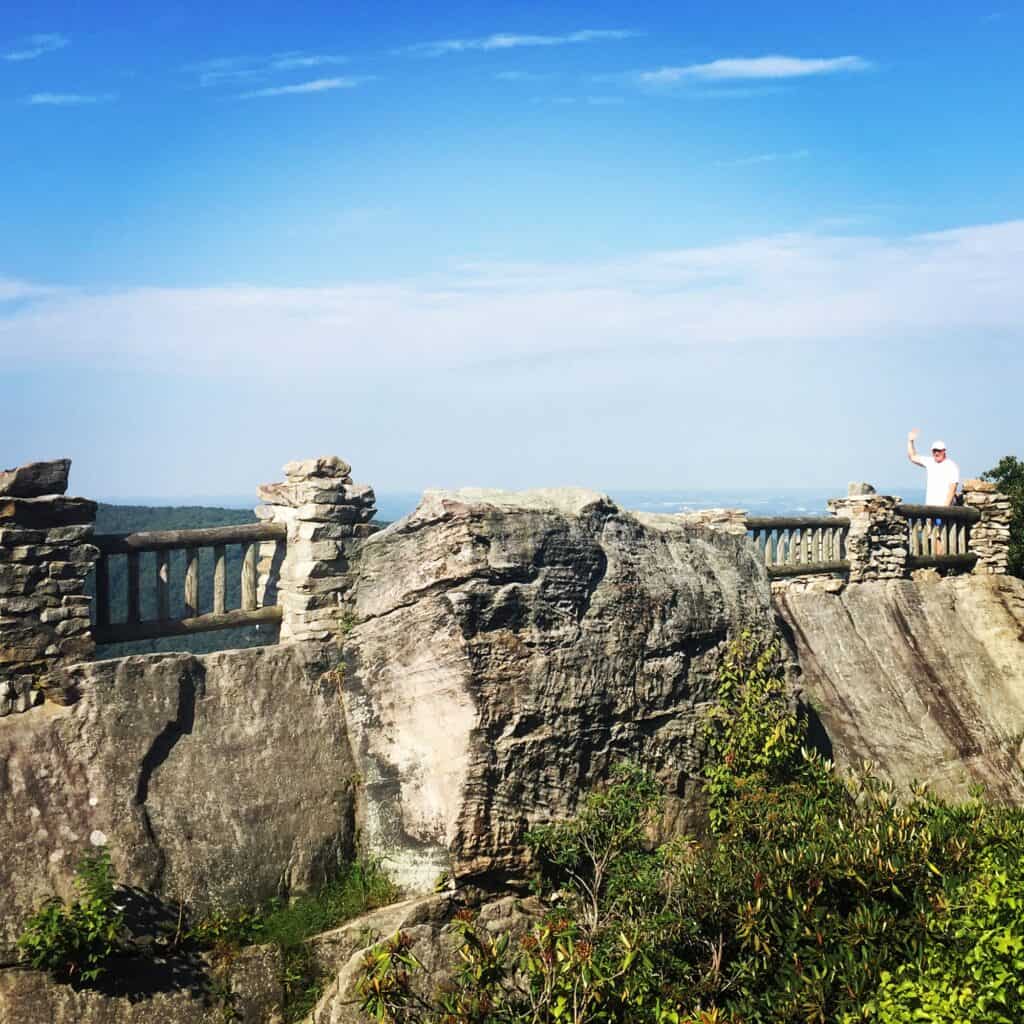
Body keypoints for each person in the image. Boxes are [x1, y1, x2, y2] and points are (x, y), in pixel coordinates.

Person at [906, 430, 960, 555]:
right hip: (930, 508)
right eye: (935, 451)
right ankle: (937, 563)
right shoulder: (930, 462)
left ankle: (941, 564)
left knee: (941, 536)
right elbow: (912, 457)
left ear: (944, 451)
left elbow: (953, 488)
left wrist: (945, 508)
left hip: (943, 509)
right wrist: (910, 441)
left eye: (939, 450)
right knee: (933, 536)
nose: (937, 453)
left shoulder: (951, 466)